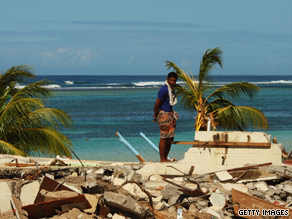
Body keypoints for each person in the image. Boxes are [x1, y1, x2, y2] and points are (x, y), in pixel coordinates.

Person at [153, 72, 179, 162]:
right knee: (164, 137)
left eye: (174, 80)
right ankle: (162, 158)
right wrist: (156, 114)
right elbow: (157, 103)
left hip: (169, 114)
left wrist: (173, 112)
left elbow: (168, 103)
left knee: (170, 137)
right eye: (171, 80)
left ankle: (165, 157)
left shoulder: (170, 89)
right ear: (167, 79)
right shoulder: (164, 89)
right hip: (164, 115)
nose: (173, 82)